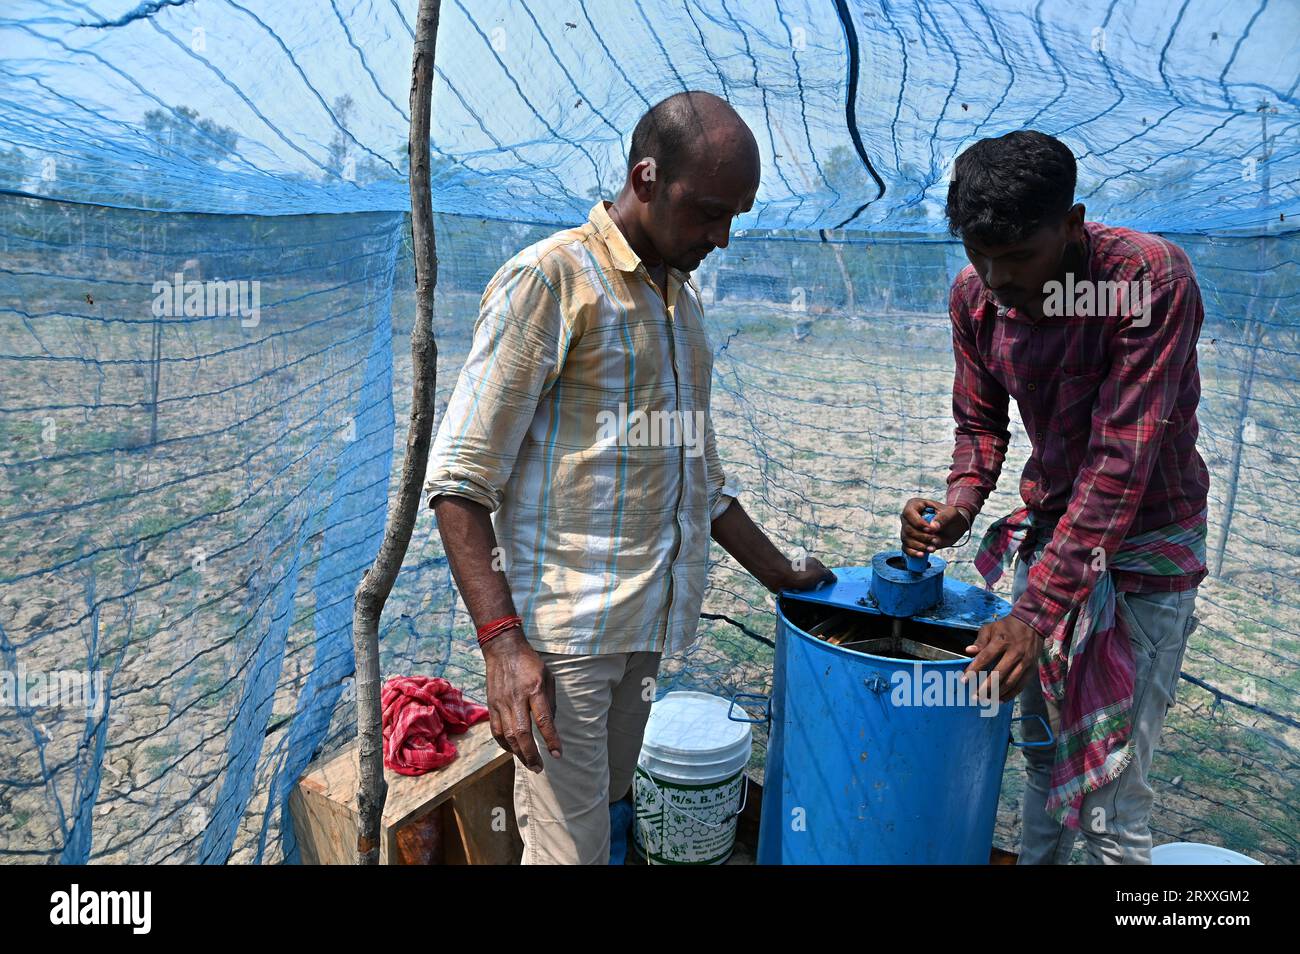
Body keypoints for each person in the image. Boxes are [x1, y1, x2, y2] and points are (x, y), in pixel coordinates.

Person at [426, 90, 833, 865]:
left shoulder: (679, 303)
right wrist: (504, 647)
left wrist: (782, 574)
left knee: (601, 808)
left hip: (643, 626)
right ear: (645, 177)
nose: (721, 235)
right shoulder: (550, 282)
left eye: (735, 216)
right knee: (569, 853)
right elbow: (460, 481)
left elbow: (701, 481)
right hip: (563, 641)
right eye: (709, 211)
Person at [900, 130, 1208, 864]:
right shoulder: (976, 298)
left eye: (1018, 258)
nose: (997, 278)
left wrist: (1035, 614)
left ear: (1071, 226)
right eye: (980, 255)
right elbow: (979, 423)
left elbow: (1118, 466)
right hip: (1053, 544)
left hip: (1140, 556)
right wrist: (961, 504)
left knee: (1108, 795)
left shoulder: (1148, 279)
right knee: (1043, 759)